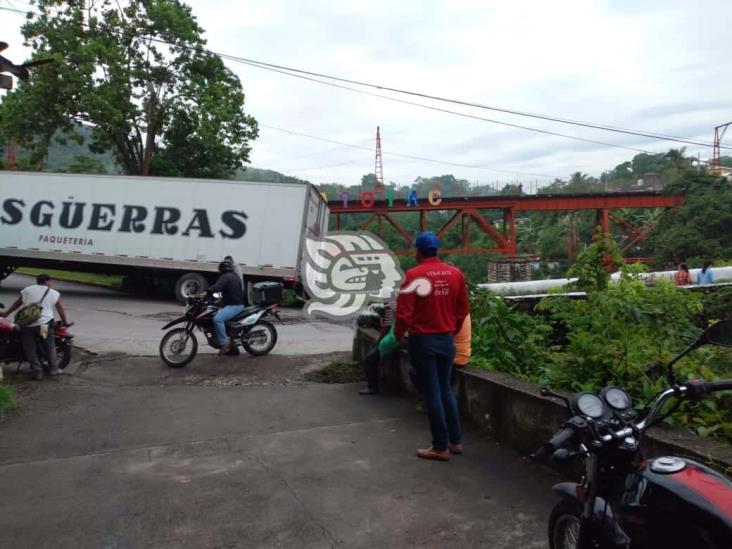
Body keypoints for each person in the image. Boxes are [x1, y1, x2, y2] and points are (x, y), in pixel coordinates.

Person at [394, 231, 469, 462]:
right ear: (437, 249)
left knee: (432, 392)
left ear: (418, 251)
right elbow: (462, 310)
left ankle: (440, 447)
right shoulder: (455, 274)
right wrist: (451, 330)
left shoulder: (414, 275)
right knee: (446, 389)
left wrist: (398, 334)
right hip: (446, 339)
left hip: (423, 341)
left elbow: (404, 313)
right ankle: (455, 442)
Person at [0, 274, 70, 380]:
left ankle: (37, 372)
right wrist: (65, 322)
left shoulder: (27, 290)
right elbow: (60, 309)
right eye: (51, 281)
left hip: (28, 325)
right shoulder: (53, 293)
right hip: (44, 325)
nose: (51, 283)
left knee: (30, 349)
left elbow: (17, 303)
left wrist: (6, 313)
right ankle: (53, 369)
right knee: (49, 346)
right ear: (47, 281)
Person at [208, 259, 245, 355]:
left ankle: (225, 342)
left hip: (234, 306)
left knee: (217, 319)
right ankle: (232, 348)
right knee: (215, 313)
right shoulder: (234, 275)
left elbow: (217, 287)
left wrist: (206, 292)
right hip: (234, 303)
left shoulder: (226, 276)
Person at [358, 302, 395, 395]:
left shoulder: (389, 308)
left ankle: (373, 387)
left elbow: (387, 327)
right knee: (377, 358)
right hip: (400, 336)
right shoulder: (394, 305)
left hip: (394, 338)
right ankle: (379, 382)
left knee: (369, 359)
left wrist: (378, 342)